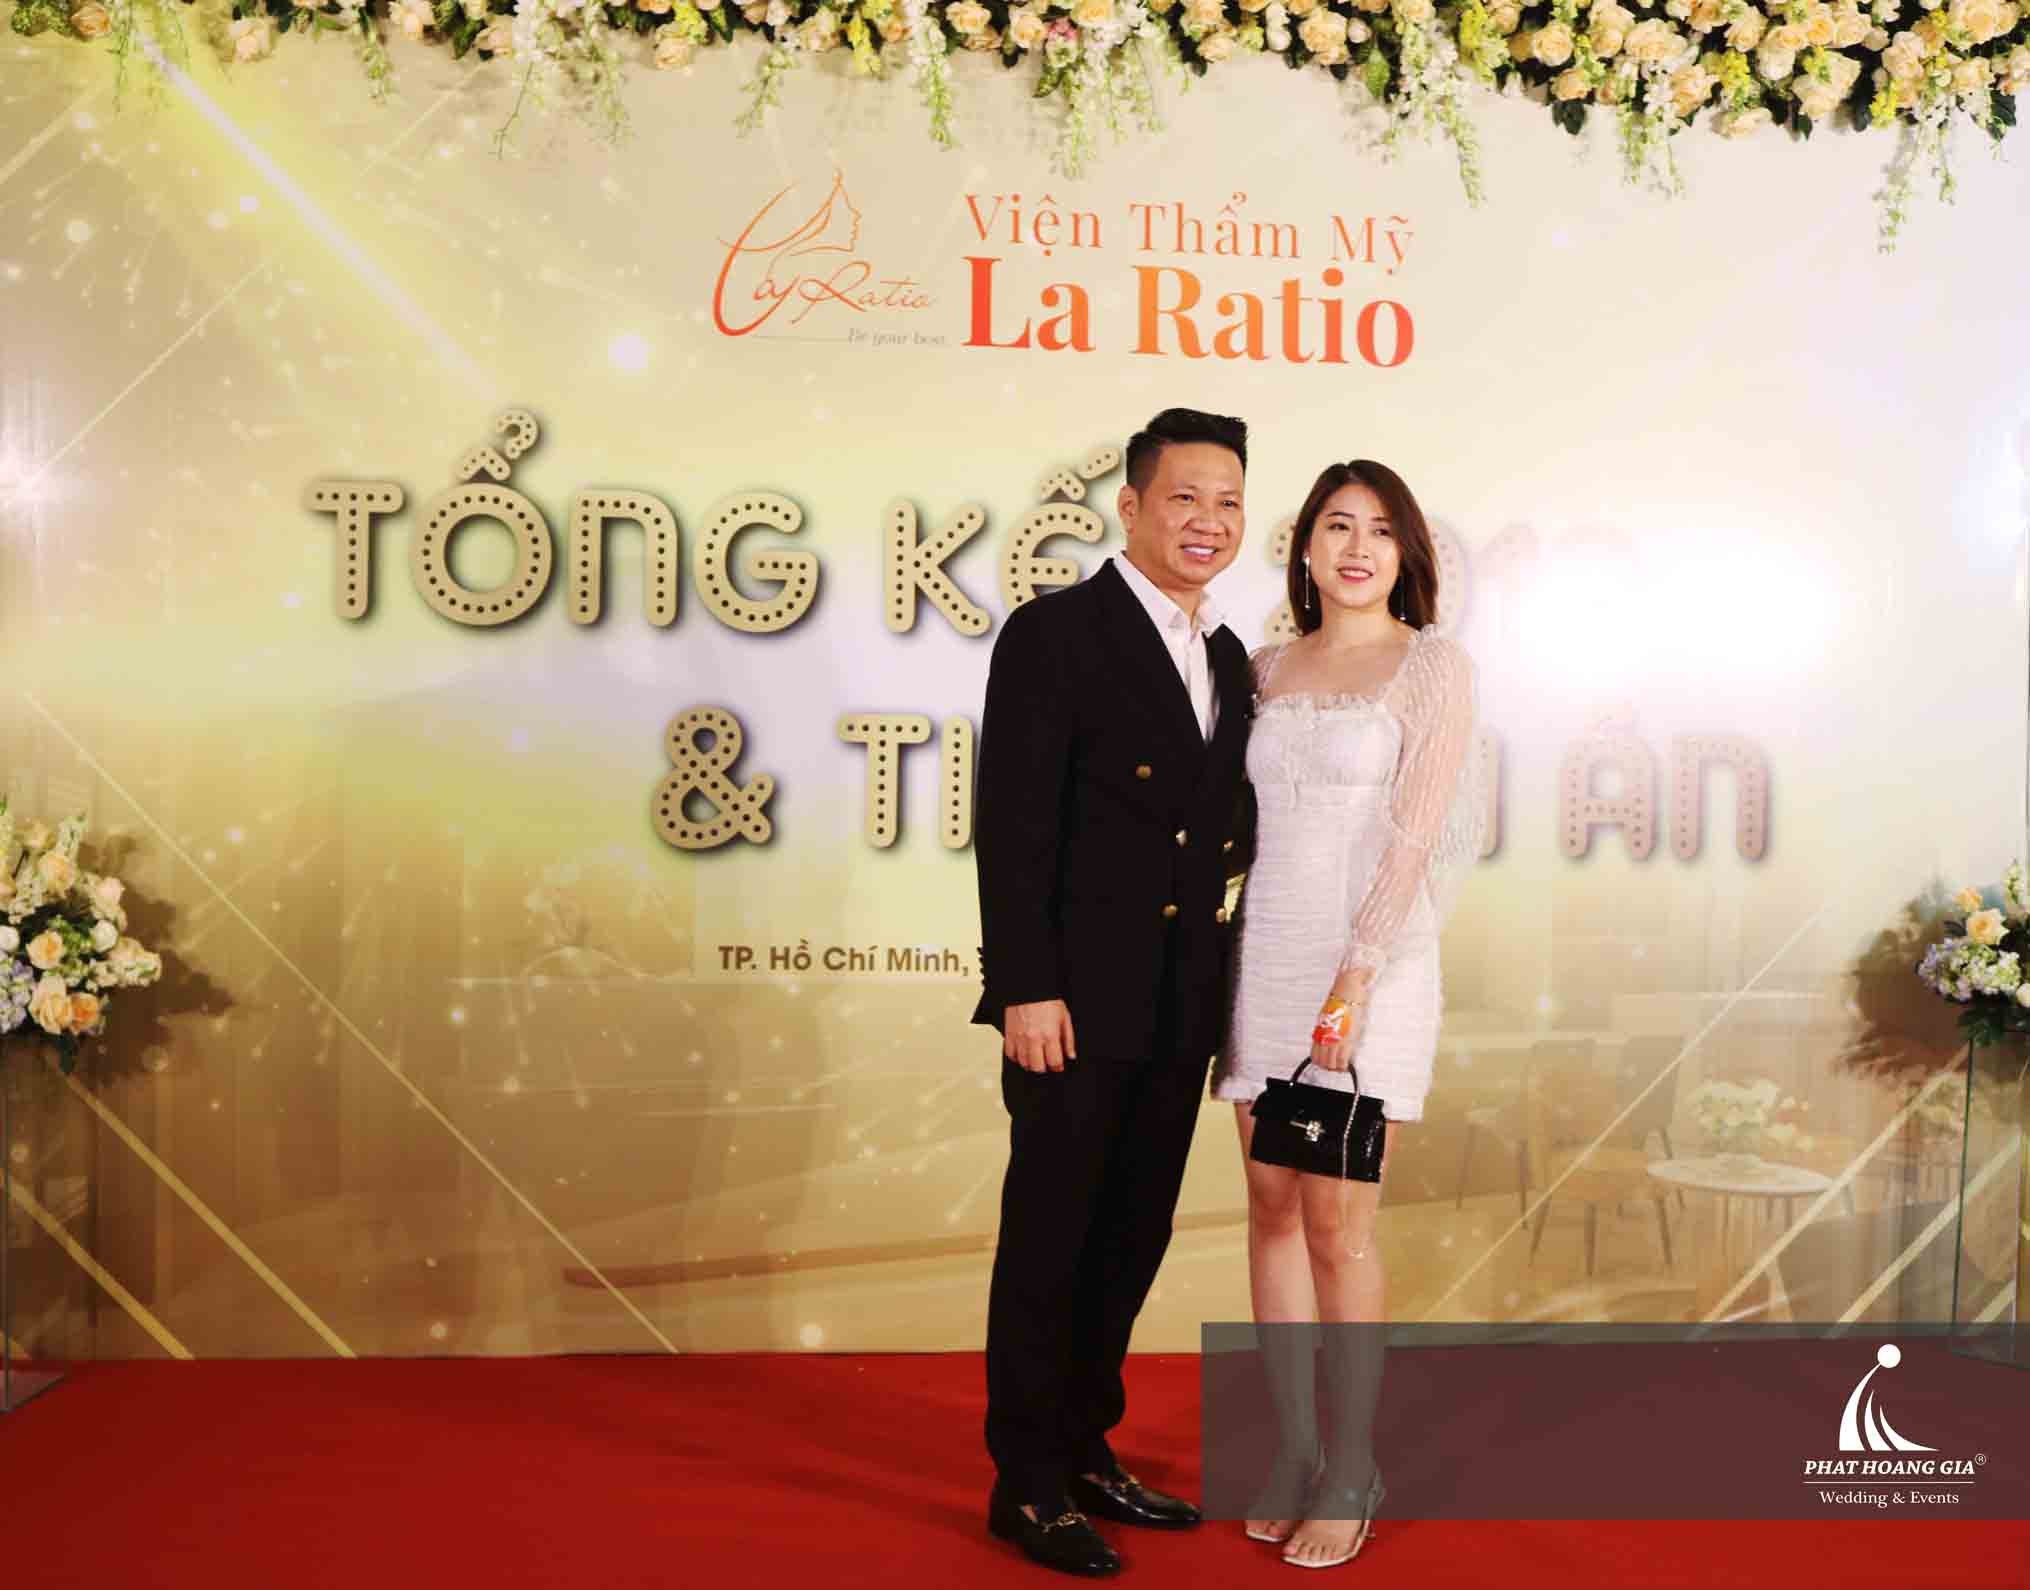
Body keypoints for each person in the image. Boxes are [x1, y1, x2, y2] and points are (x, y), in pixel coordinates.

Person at [973, 408, 1257, 1577]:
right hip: (1072, 1005)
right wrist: (1023, 987)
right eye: (1185, 497)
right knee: (1050, 1239)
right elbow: (1012, 824)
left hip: (1176, 1003)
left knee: (1131, 1234)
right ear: (1131, 505)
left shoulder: (1226, 657)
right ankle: (1026, 1484)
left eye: (1228, 502)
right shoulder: (1056, 633)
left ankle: (1085, 1448)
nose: (1207, 521)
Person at [1210, 459, 1481, 1569]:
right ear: (1306, 546)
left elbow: (1418, 833)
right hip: (1266, 961)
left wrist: (1357, 976)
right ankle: (1292, 1451)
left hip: (1371, 967)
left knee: (1338, 1226)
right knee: (1269, 1209)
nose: (1357, 547)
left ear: (1404, 551)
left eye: (1378, 529)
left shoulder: (1433, 666)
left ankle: (1351, 1467)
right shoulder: (1263, 668)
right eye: (1336, 525)